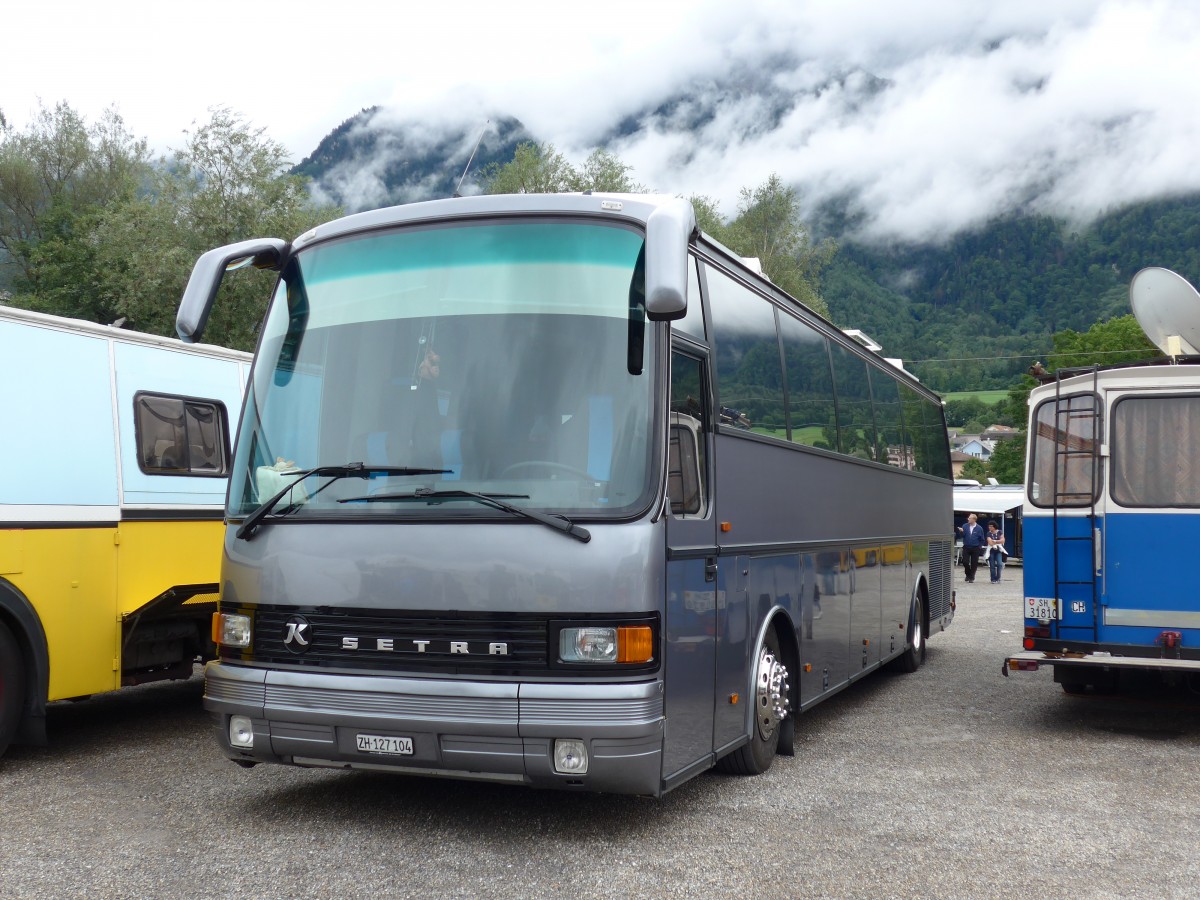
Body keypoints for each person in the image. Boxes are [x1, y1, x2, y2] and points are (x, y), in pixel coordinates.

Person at [957, 513, 985, 583]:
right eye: (968, 518)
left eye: (969, 518)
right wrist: (961, 532)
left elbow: (982, 539)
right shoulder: (965, 526)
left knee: (974, 563)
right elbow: (962, 536)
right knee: (965, 562)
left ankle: (971, 577)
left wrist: (979, 546)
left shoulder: (979, 528)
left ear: (974, 519)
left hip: (975, 548)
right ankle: (968, 574)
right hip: (966, 546)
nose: (968, 519)